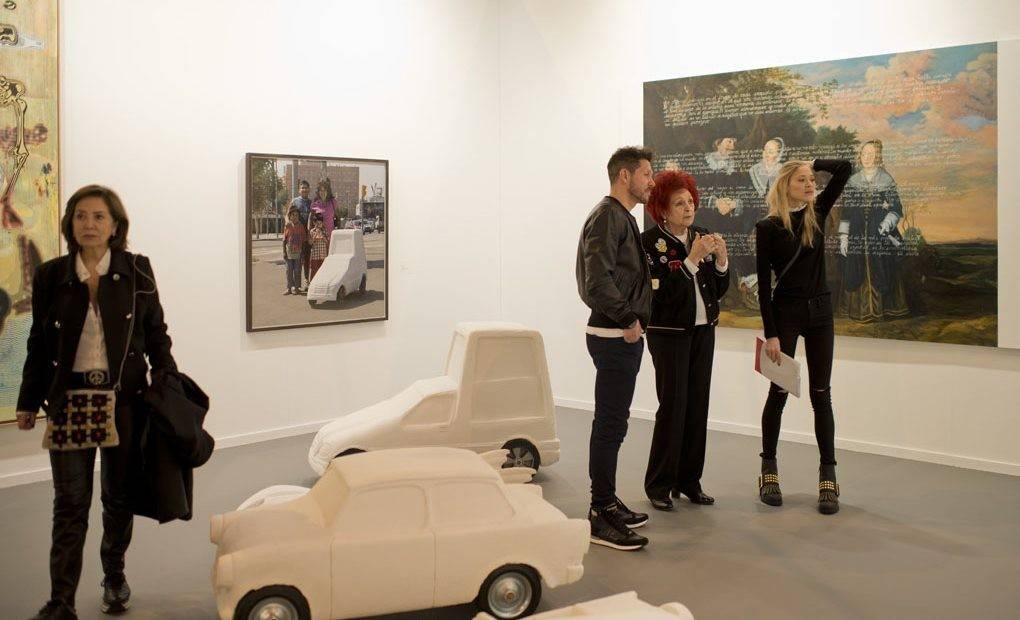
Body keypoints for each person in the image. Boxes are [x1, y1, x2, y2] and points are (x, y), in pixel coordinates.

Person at [15, 185, 177, 620]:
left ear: (115, 225)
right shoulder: (51, 275)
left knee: (118, 497)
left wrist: (168, 386)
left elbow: (156, 334)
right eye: (81, 216)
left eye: (98, 217)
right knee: (69, 504)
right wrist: (28, 400)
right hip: (68, 401)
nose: (89, 224)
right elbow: (38, 343)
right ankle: (61, 601)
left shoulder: (137, 271)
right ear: (70, 223)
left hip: (124, 400)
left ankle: (114, 576)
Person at [754, 158, 851, 515]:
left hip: (821, 313)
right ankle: (768, 470)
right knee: (778, 392)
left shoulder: (817, 212)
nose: (810, 184)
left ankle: (829, 478)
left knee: (821, 394)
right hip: (786, 314)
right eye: (802, 179)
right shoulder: (767, 227)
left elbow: (844, 170)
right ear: (785, 185)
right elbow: (764, 288)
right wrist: (772, 335)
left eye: (812, 179)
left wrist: (813, 162)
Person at [576, 146, 654, 551]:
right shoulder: (609, 215)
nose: (650, 182)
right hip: (614, 334)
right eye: (646, 174)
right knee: (609, 425)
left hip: (619, 333)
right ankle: (599, 511)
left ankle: (606, 502)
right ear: (624, 176)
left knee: (614, 423)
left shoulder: (619, 216)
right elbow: (596, 279)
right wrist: (628, 319)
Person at [641, 170, 729, 511]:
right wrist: (692, 260)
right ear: (662, 209)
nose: (688, 208)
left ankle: (689, 481)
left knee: (697, 406)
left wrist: (720, 261)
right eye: (679, 203)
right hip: (669, 335)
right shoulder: (650, 244)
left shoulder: (702, 235)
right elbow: (661, 297)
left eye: (690, 201)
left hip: (703, 332)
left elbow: (717, 291)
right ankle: (659, 485)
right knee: (673, 407)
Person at [838, 140, 909, 322]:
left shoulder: (886, 179)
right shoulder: (853, 181)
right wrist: (844, 238)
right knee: (855, 268)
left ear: (877, 157)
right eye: (864, 154)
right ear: (860, 157)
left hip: (880, 235)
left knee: (883, 266)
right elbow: (845, 212)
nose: (867, 158)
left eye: (871, 154)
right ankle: (861, 312)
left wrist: (887, 222)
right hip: (857, 235)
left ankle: (882, 311)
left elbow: (896, 208)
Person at [289, 180, 313, 290]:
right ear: (299, 189)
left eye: (306, 188)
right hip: (296, 236)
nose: (304, 190)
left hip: (308, 236)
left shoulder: (312, 203)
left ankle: (307, 281)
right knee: (296, 260)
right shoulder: (294, 201)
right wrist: (288, 225)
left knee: (307, 259)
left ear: (309, 190)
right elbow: (287, 215)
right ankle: (295, 286)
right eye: (302, 188)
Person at [282, 207, 306, 295]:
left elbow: (303, 241)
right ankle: (289, 288)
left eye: (296, 215)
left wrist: (303, 253)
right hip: (289, 253)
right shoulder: (287, 226)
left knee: (297, 270)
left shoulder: (301, 226)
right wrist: (284, 251)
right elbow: (284, 240)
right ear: (290, 216)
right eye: (293, 215)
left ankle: (296, 288)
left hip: (298, 253)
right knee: (289, 270)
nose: (295, 217)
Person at [307, 213, 328, 282]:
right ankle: (312, 282)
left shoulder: (325, 231)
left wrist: (322, 235)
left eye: (320, 223)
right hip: (314, 254)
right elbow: (310, 242)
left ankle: (321, 282)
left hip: (323, 254)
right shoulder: (312, 231)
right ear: (314, 223)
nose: (319, 225)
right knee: (314, 269)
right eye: (317, 223)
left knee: (322, 269)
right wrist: (315, 235)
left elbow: (327, 241)